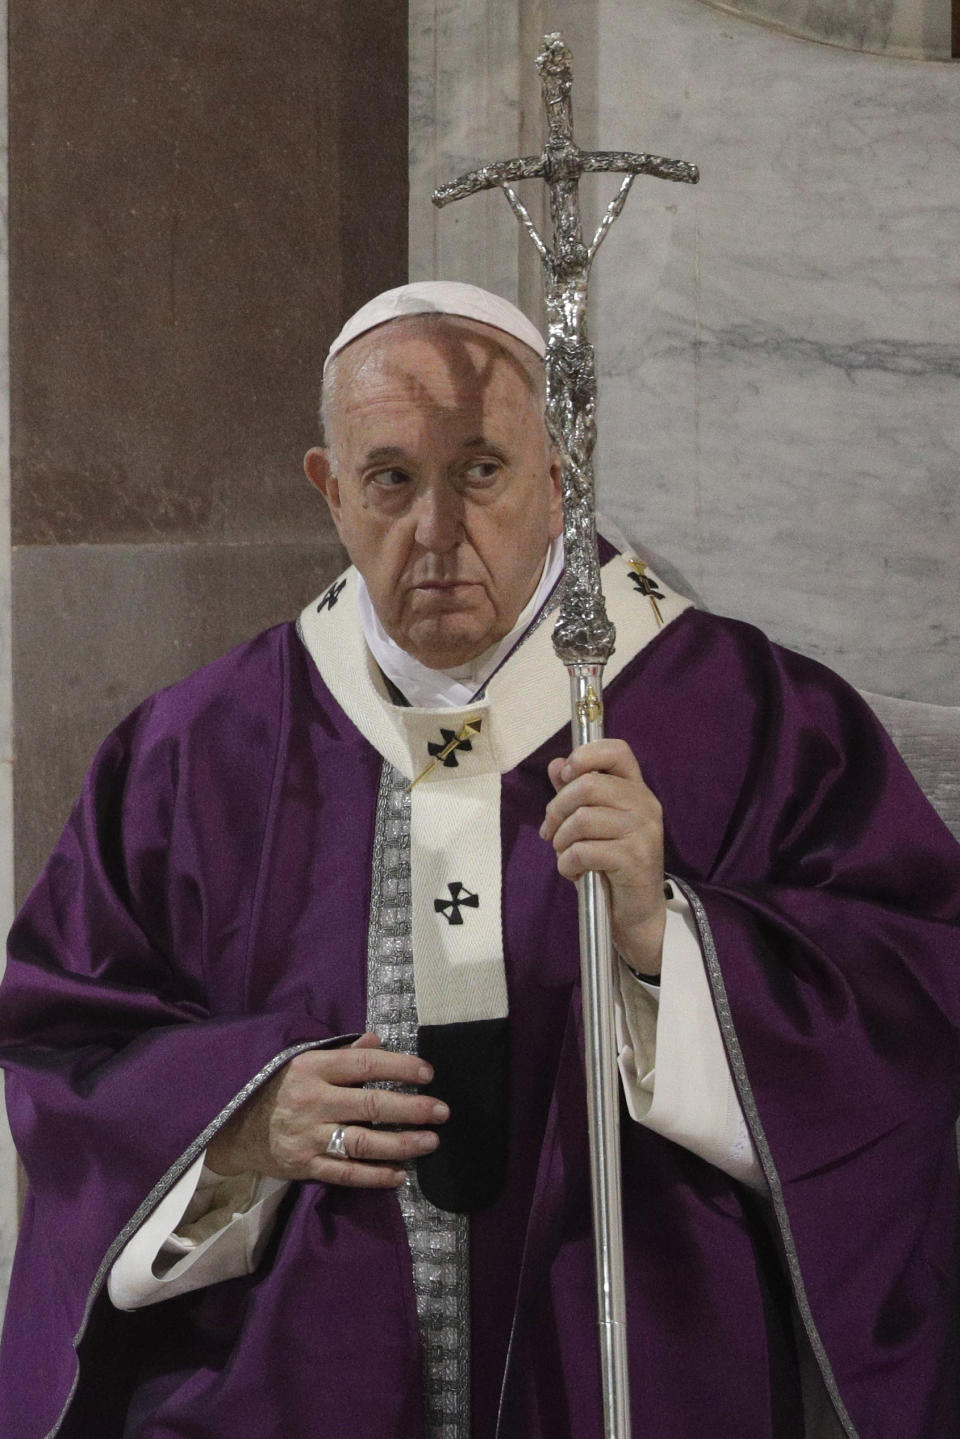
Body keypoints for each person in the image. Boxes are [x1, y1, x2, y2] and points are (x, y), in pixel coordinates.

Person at [0, 281, 958, 1439]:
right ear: (329, 490)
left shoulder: (743, 714)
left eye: (482, 471)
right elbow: (64, 1048)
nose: (438, 531)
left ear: (562, 476)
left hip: (635, 1370)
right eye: (392, 479)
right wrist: (239, 1121)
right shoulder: (197, 753)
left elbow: (913, 998)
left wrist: (675, 944)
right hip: (288, 1384)